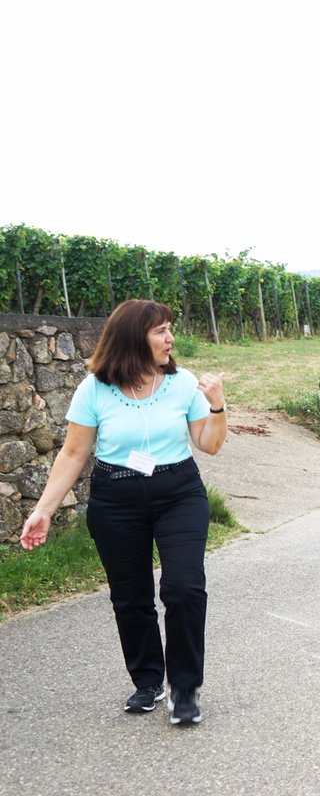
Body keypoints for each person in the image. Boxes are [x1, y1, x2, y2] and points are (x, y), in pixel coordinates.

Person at [19, 299, 228, 726]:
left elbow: (208, 444)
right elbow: (74, 453)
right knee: (131, 598)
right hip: (116, 499)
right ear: (134, 337)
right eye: (160, 331)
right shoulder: (94, 388)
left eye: (170, 328)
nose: (170, 338)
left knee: (185, 588)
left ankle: (184, 688)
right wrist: (44, 509)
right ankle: (148, 681)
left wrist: (218, 407)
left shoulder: (184, 382)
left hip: (179, 495)